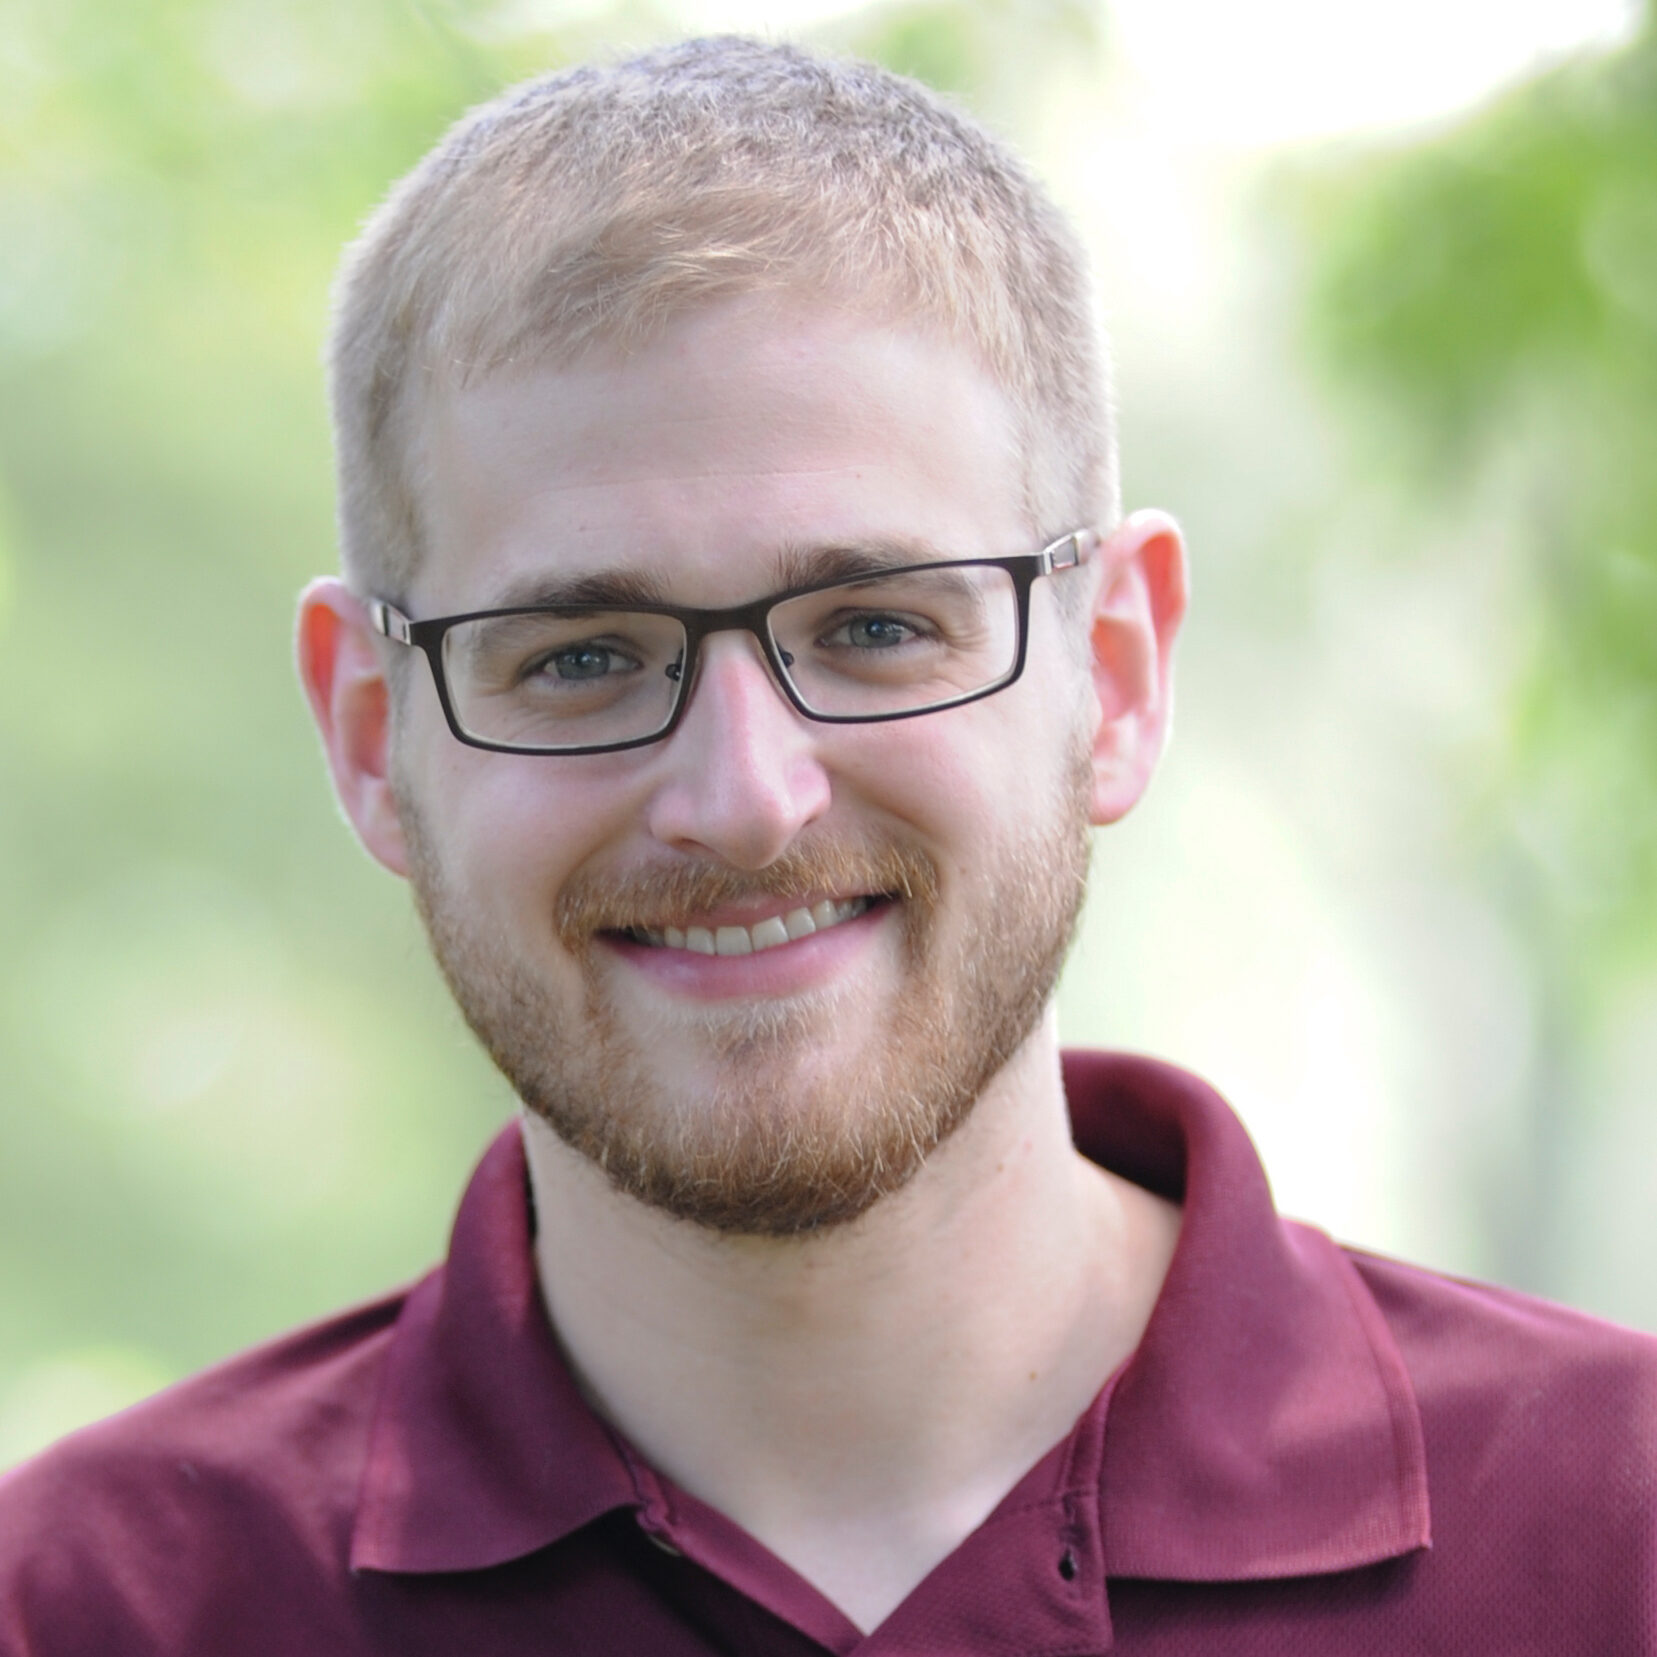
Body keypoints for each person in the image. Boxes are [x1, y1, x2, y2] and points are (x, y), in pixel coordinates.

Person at [2, 34, 1654, 1655]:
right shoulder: (92, 1605)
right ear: (373, 735)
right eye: (581, 656)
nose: (742, 795)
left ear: (1118, 671)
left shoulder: (1614, 1538)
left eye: (873, 624)